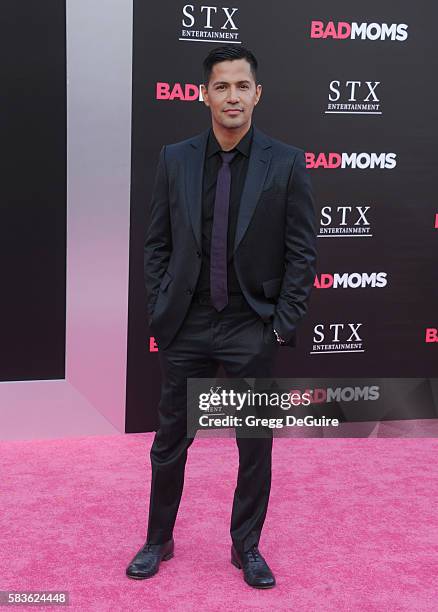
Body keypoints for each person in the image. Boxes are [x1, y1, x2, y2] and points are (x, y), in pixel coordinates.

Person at [126, 45, 317, 589]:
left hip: (249, 324)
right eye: (221, 86)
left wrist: (281, 323)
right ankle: (158, 539)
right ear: (204, 94)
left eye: (241, 86)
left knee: (253, 443)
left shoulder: (285, 161)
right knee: (170, 441)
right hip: (186, 324)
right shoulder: (175, 158)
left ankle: (247, 547)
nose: (231, 96)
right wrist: (160, 311)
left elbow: (302, 251)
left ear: (257, 94)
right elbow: (156, 244)